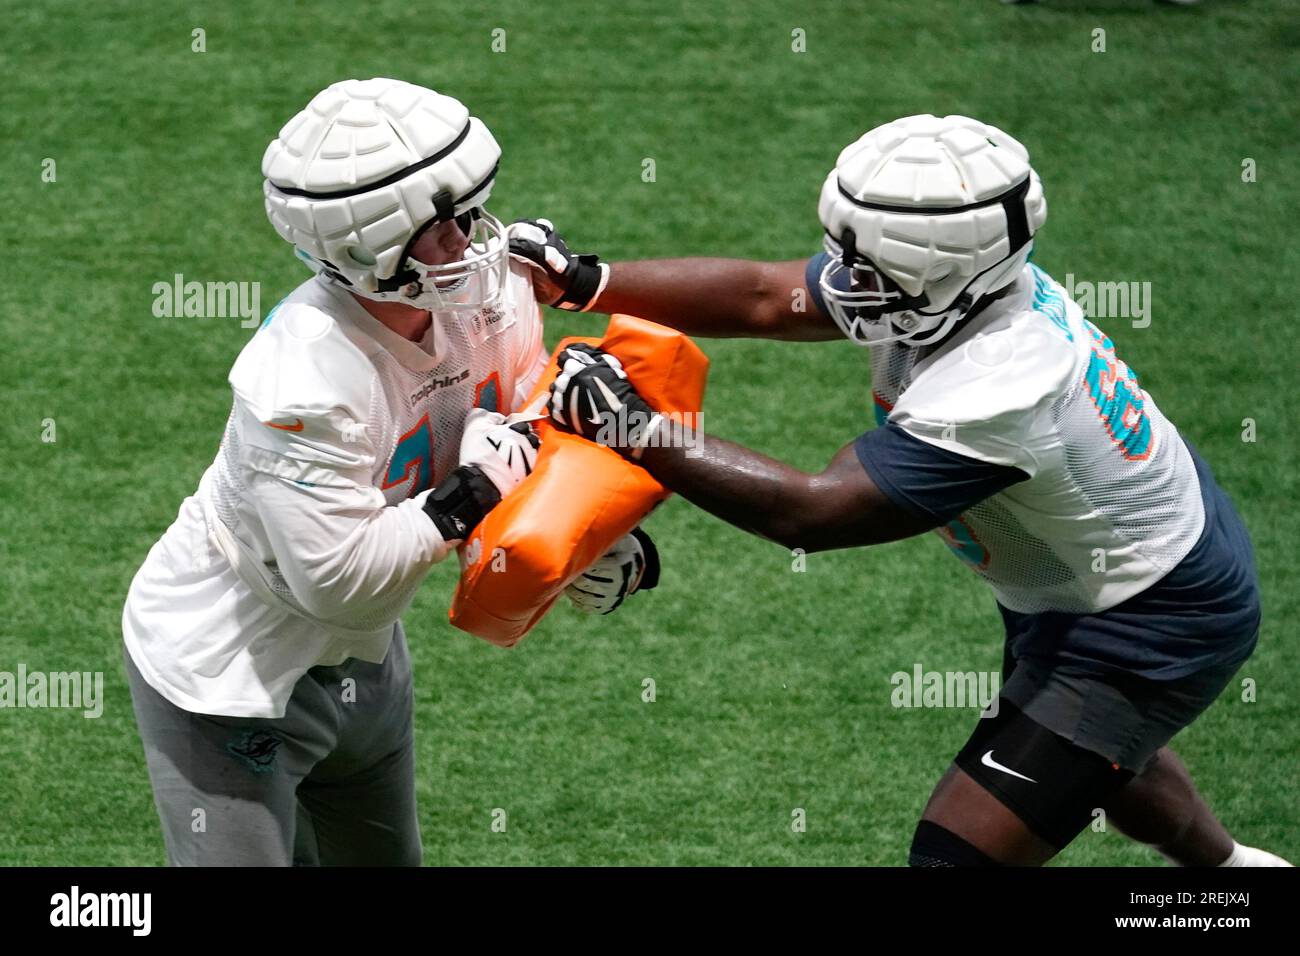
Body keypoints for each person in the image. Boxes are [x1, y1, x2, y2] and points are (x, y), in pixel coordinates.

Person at [510, 113, 1289, 866]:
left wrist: (638, 429)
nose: (846, 284)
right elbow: (761, 296)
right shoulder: (956, 288)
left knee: (957, 855)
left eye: (875, 270)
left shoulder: (1001, 381)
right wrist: (587, 282)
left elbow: (811, 512)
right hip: (1108, 569)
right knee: (1101, 763)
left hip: (1145, 618)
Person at [122, 78, 655, 866]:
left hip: (365, 659)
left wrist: (589, 536)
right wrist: (468, 496)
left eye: (471, 213)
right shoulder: (301, 380)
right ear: (370, 246)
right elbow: (337, 581)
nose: (474, 240)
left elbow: (528, 427)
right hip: (229, 673)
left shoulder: (493, 294)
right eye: (444, 226)